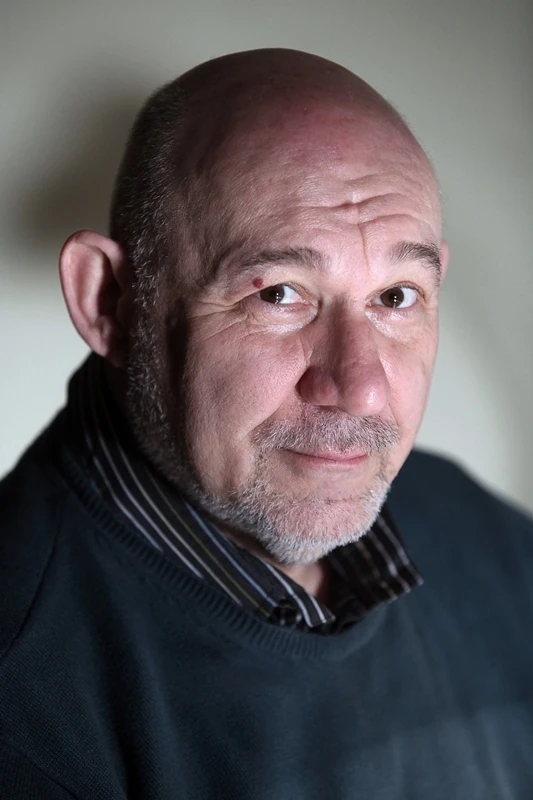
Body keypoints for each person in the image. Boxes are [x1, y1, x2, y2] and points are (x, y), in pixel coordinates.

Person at [0, 48, 532, 800]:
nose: (360, 391)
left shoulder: (484, 537)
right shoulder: (25, 706)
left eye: (396, 297)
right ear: (109, 300)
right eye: (279, 293)